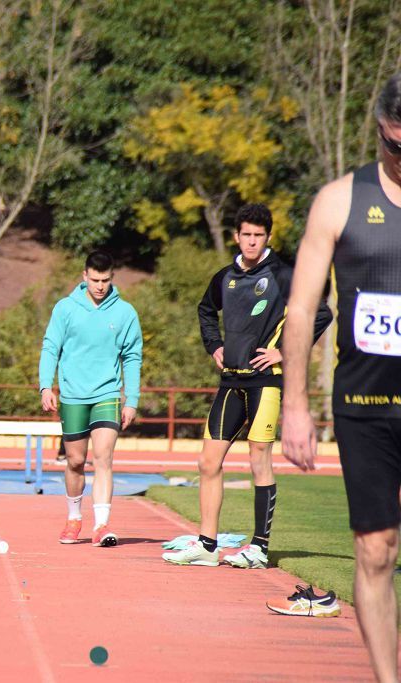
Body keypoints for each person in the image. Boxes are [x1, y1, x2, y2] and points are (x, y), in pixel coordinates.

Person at [281, 73, 401, 681]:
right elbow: (301, 308)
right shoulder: (338, 200)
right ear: (381, 131)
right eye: (397, 146)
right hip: (368, 402)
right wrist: (295, 407)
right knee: (377, 549)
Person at [162, 204, 331, 569]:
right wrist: (214, 346)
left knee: (259, 459)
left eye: (259, 236)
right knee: (208, 462)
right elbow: (206, 310)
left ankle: (259, 548)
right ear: (236, 236)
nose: (252, 242)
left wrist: (285, 352)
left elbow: (322, 313)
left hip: (265, 384)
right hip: (230, 383)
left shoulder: (285, 275)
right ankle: (207, 545)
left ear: (267, 237)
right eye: (246, 235)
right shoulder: (225, 277)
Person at [39, 250, 142, 547]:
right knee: (75, 460)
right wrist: (46, 386)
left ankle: (101, 525)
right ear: (84, 276)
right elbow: (50, 347)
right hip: (72, 394)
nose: (100, 286)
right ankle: (74, 518)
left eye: (105, 280)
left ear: (112, 278)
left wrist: (131, 399)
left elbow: (132, 357)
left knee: (103, 457)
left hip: (107, 394)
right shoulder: (65, 309)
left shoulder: (125, 313)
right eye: (95, 280)